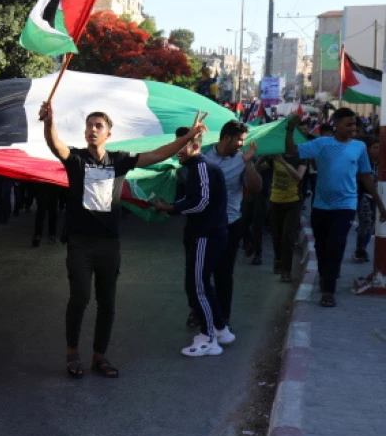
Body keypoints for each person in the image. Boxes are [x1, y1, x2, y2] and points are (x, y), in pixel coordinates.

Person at [40, 102, 207, 378]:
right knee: (80, 298)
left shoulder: (119, 160)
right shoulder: (76, 159)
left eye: (98, 126)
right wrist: (49, 122)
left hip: (109, 243)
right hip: (80, 242)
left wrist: (187, 137)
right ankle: (72, 353)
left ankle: (99, 356)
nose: (92, 130)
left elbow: (155, 155)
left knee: (107, 303)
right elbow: (55, 144)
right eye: (89, 125)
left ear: (108, 134)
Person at [284, 110, 386, 307]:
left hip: (346, 205)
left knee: (337, 244)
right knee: (322, 247)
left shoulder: (359, 147)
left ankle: (328, 291)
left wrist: (380, 204)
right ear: (336, 124)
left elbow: (365, 175)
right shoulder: (322, 144)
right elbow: (293, 151)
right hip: (321, 206)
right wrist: (289, 130)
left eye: (355, 126)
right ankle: (325, 276)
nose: (353, 129)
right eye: (348, 125)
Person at [153, 132, 231, 356]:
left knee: (197, 286)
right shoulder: (195, 168)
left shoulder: (202, 168)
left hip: (207, 234)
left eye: (181, 145)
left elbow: (200, 203)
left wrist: (170, 208)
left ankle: (208, 339)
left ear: (195, 146)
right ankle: (220, 329)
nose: (176, 149)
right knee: (202, 284)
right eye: (175, 143)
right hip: (204, 233)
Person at [201, 120, 261, 334]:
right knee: (201, 273)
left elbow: (255, 188)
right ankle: (200, 311)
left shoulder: (241, 160)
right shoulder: (204, 157)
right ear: (227, 138)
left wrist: (248, 163)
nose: (241, 145)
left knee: (224, 274)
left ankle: (222, 318)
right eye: (240, 140)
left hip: (229, 224)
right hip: (203, 226)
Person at [269, 126, 308, 282]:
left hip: (293, 202)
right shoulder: (275, 155)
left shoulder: (302, 157)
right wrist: (264, 158)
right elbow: (258, 169)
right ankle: (278, 260)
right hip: (275, 200)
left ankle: (286, 271)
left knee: (288, 237)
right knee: (276, 236)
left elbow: (298, 177)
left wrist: (283, 162)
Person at [354, 137, 380, 263]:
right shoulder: (364, 163)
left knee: (371, 226)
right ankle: (360, 249)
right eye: (375, 147)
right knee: (365, 223)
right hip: (364, 196)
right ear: (368, 150)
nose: (378, 150)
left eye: (379, 147)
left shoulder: (382, 164)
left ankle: (362, 247)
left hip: (377, 198)